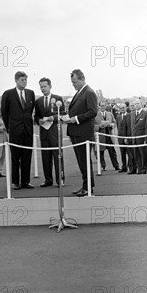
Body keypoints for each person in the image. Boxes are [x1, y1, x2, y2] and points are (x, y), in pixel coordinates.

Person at [62, 69, 98, 197]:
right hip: (76, 132)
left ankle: (88, 187)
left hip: (83, 133)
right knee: (81, 161)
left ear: (82, 79)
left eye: (75, 82)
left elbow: (93, 111)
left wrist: (75, 119)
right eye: (72, 83)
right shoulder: (79, 93)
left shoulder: (89, 93)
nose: (74, 85)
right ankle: (85, 185)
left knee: (84, 161)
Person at [0, 71, 36, 190]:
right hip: (15, 131)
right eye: (22, 80)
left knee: (27, 156)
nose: (24, 82)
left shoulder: (31, 93)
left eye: (26, 80)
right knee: (15, 157)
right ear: (16, 80)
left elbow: (30, 111)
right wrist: (9, 127)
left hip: (28, 130)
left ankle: (25, 181)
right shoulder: (8, 94)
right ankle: (15, 182)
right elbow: (4, 112)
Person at [34, 77, 64, 187]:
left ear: (50, 86)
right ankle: (48, 180)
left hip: (55, 132)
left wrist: (54, 118)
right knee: (45, 158)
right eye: (41, 87)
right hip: (44, 133)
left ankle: (60, 179)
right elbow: (36, 116)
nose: (43, 89)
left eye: (45, 86)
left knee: (58, 157)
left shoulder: (58, 98)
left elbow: (63, 113)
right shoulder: (38, 101)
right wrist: (39, 121)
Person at [95, 100, 120, 171]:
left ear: (106, 106)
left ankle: (116, 166)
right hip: (100, 137)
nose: (103, 107)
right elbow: (93, 126)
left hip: (109, 135)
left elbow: (114, 123)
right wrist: (99, 126)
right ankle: (103, 166)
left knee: (112, 152)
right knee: (100, 152)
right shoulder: (95, 115)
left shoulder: (110, 114)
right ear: (99, 106)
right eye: (101, 106)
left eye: (104, 105)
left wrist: (111, 124)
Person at [130, 99, 147, 174]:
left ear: (141, 104)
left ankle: (143, 169)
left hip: (142, 137)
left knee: (143, 154)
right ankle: (139, 168)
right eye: (135, 104)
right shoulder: (132, 113)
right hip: (134, 137)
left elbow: (146, 127)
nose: (136, 105)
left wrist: (145, 138)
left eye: (138, 103)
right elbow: (132, 127)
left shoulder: (145, 113)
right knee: (136, 154)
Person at [116, 102, 133, 173]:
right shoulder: (118, 117)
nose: (122, 109)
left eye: (123, 108)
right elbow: (118, 127)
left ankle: (130, 167)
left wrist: (127, 138)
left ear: (126, 108)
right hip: (120, 138)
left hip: (127, 137)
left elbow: (129, 128)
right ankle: (124, 166)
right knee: (122, 153)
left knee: (129, 153)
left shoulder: (129, 116)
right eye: (121, 108)